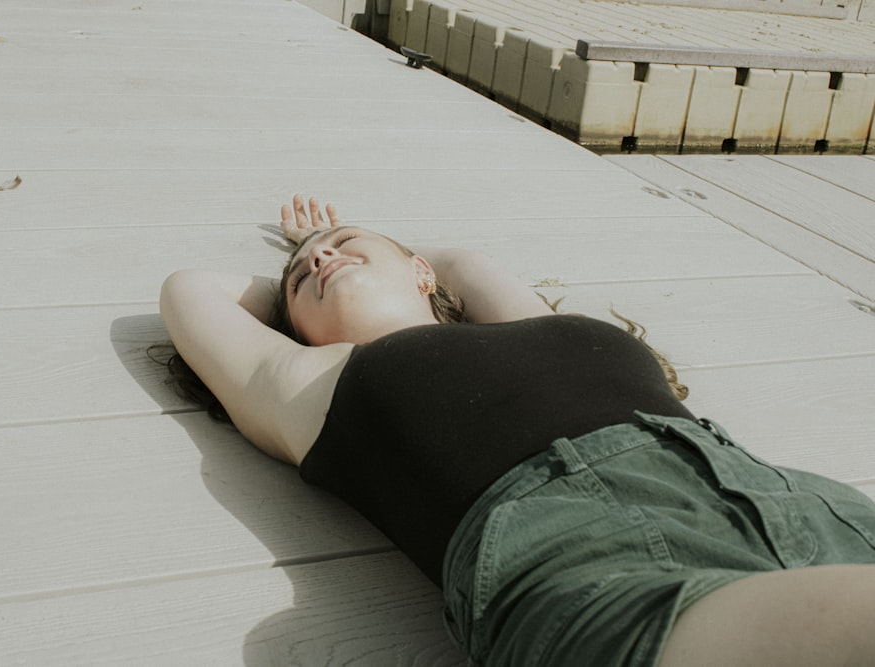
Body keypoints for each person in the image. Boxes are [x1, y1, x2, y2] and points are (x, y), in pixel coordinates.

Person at [159, 195, 875, 667]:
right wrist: (314, 266)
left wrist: (345, 244)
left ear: (419, 270)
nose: (318, 258)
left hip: (775, 493)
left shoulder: (522, 318)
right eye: (298, 279)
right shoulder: (312, 381)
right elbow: (189, 288)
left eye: (343, 243)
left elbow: (462, 260)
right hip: (575, 543)